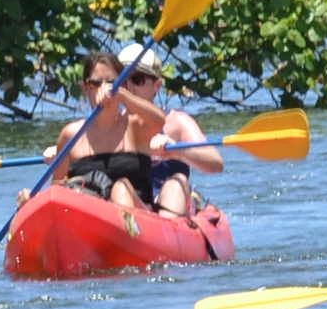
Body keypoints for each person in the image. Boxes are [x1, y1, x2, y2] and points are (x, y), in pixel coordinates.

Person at [42, 45, 222, 218]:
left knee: (176, 182)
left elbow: (215, 164)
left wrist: (177, 152)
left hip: (164, 204)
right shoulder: (102, 127)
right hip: (113, 204)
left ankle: (166, 238)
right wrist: (63, 156)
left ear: (157, 85)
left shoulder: (175, 123)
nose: (128, 86)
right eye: (123, 80)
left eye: (137, 79)